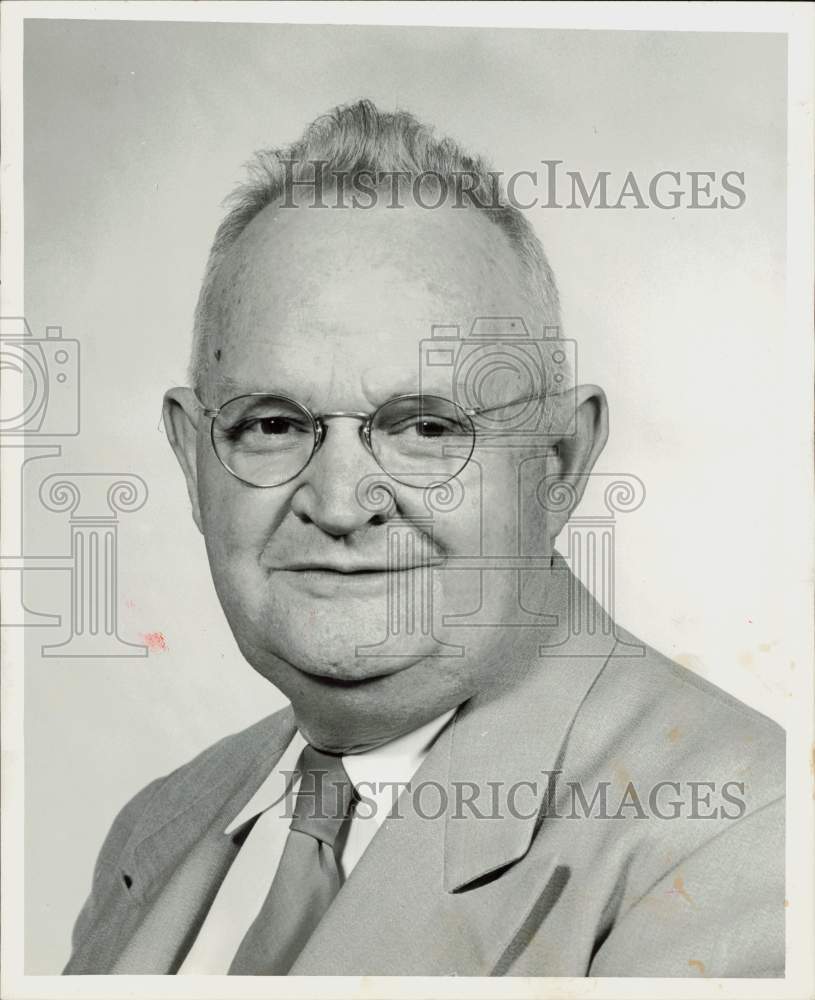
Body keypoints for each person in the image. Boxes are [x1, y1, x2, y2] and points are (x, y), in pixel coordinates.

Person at [64, 100, 784, 978]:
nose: (337, 502)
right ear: (190, 455)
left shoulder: (750, 836)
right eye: (272, 423)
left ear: (557, 463)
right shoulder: (162, 824)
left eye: (426, 428)